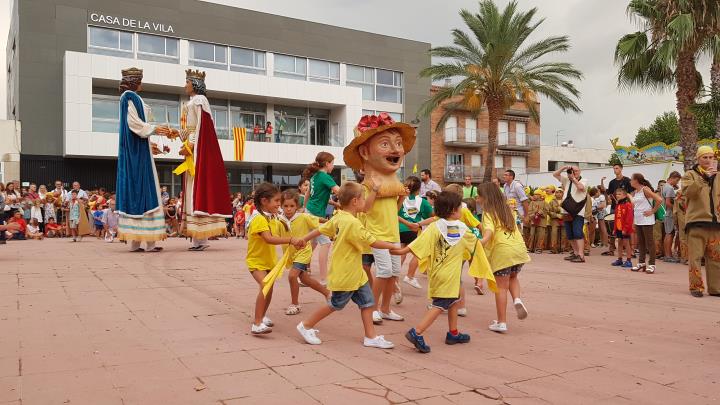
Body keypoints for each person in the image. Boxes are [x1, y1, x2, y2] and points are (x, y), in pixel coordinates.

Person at [296, 182, 396, 349]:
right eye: (363, 198)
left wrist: (304, 239)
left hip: (354, 273)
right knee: (336, 304)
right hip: (347, 273)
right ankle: (305, 325)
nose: (365, 201)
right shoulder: (352, 223)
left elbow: (320, 229)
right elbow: (372, 241)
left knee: (368, 302)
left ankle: (370, 336)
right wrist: (393, 247)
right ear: (355, 201)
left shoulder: (339, 217)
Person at [391, 191, 495, 353]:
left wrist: (398, 251)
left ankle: (453, 333)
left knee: (453, 300)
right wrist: (489, 233)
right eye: (460, 207)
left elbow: (417, 245)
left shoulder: (434, 226)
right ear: (453, 210)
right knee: (440, 305)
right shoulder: (462, 229)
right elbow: (478, 244)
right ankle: (416, 332)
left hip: (437, 271)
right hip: (451, 274)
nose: (462, 209)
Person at [169, 69, 233, 250]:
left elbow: (199, 129)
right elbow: (190, 129)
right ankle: (198, 238)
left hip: (196, 152)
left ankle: (201, 238)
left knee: (195, 191)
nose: (185, 85)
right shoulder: (192, 102)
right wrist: (178, 134)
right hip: (192, 149)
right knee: (191, 192)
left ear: (194, 84)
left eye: (187, 82)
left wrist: (189, 146)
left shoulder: (199, 100)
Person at [114, 67, 170, 253]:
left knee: (141, 190)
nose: (142, 83)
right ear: (134, 81)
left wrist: (151, 143)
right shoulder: (130, 97)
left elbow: (138, 127)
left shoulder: (129, 97)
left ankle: (138, 242)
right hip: (136, 154)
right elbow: (135, 124)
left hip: (139, 149)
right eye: (140, 79)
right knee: (146, 190)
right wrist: (154, 128)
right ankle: (146, 242)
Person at [247, 183, 305, 334]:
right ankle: (257, 323)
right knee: (265, 286)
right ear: (265, 201)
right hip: (257, 262)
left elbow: (281, 232)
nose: (279, 205)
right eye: (277, 201)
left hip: (269, 262)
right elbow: (269, 239)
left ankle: (262, 316)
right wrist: (291, 240)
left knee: (269, 288)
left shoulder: (271, 217)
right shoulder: (259, 219)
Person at [477, 183, 531, 333]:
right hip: (518, 250)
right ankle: (517, 299)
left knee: (501, 287)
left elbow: (488, 232)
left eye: (479, 195)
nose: (477, 198)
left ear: (485, 197)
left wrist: (479, 242)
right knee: (513, 277)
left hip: (502, 252)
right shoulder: (508, 209)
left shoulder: (488, 213)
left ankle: (501, 322)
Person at [278, 189, 330, 315]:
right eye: (286, 206)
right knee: (305, 279)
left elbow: (317, 219)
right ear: (281, 206)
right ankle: (328, 293)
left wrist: (332, 222)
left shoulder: (303, 217)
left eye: (292, 206)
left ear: (297, 206)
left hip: (303, 252)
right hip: (290, 254)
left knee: (292, 276)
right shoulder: (278, 220)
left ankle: (295, 304)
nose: (289, 209)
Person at [681, 146, 720, 297]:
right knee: (695, 258)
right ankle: (696, 287)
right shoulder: (689, 175)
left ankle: (715, 288)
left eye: (711, 157)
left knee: (716, 258)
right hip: (696, 222)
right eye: (705, 157)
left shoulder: (718, 176)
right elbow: (688, 193)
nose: (708, 160)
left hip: (715, 223)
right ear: (698, 159)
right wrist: (703, 178)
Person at [302, 152, 340, 283]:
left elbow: (309, 194)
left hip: (310, 211)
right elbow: (339, 191)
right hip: (315, 214)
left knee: (312, 243)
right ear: (327, 163)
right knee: (326, 242)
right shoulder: (325, 176)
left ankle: (302, 270)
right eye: (333, 163)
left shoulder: (315, 176)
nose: (333, 166)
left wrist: (304, 209)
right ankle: (324, 279)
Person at [399, 176, 435, 290]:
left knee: (402, 252)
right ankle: (410, 276)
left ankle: (393, 276)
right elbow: (432, 215)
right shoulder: (422, 202)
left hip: (398, 229)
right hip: (412, 230)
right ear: (419, 189)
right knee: (418, 253)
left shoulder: (400, 199)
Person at [629, 173, 663, 273]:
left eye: (631, 179)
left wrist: (652, 211)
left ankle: (652, 264)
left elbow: (659, 199)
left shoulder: (645, 189)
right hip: (638, 220)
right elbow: (635, 206)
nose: (630, 181)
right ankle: (641, 263)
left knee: (650, 243)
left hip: (647, 220)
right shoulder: (635, 192)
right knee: (641, 243)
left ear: (636, 180)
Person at [554, 166, 588, 263]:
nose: (574, 172)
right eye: (573, 171)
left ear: (580, 171)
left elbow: (581, 187)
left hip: (578, 211)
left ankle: (581, 255)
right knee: (570, 234)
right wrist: (564, 168)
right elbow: (555, 174)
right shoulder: (567, 180)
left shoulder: (584, 180)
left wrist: (573, 178)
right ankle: (576, 253)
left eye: (576, 171)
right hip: (566, 210)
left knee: (577, 233)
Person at [603, 165, 632, 256]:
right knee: (613, 227)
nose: (615, 170)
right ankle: (611, 249)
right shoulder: (612, 182)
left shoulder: (627, 180)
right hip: (615, 207)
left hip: (625, 207)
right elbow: (609, 194)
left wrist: (629, 202)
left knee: (625, 228)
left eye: (617, 168)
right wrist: (609, 200)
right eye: (614, 168)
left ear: (621, 169)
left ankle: (628, 250)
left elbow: (631, 193)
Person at [611, 187, 634, 269]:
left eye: (619, 194)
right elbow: (616, 217)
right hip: (618, 228)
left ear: (624, 195)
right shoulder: (618, 205)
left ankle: (629, 260)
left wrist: (625, 229)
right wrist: (614, 229)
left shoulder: (628, 205)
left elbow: (629, 218)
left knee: (626, 243)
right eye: (617, 194)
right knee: (619, 243)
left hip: (625, 228)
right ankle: (619, 259)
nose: (617, 195)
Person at [662, 172, 682, 263]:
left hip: (666, 214)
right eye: (677, 180)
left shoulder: (665, 187)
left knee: (668, 233)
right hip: (670, 214)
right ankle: (668, 255)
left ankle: (667, 254)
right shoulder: (669, 188)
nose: (677, 183)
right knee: (670, 234)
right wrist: (676, 209)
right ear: (673, 178)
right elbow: (668, 203)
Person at [548, 188, 564, 254]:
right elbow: (548, 211)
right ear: (555, 193)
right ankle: (554, 249)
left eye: (560, 192)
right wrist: (556, 215)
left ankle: (562, 248)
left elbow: (569, 210)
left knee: (563, 234)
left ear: (563, 194)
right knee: (554, 234)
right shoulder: (552, 201)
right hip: (554, 220)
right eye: (557, 192)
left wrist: (563, 215)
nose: (558, 194)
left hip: (564, 220)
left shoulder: (566, 201)